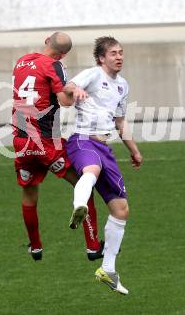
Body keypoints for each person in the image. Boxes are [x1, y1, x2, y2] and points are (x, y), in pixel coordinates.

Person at [12, 31, 103, 261]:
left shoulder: (21, 62)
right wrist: (74, 92)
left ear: (46, 42)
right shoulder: (55, 66)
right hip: (46, 142)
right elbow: (64, 100)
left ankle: (35, 246)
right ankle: (93, 246)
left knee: (29, 191)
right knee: (83, 184)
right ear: (64, 55)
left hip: (21, 140)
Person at [64, 36, 143, 294]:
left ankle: (107, 269)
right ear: (101, 58)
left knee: (121, 209)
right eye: (113, 53)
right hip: (82, 140)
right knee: (91, 171)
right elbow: (68, 86)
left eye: (121, 52)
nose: (119, 57)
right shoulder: (93, 74)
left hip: (105, 147)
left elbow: (120, 122)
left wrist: (134, 150)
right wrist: (75, 90)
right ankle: (80, 205)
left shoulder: (122, 86)